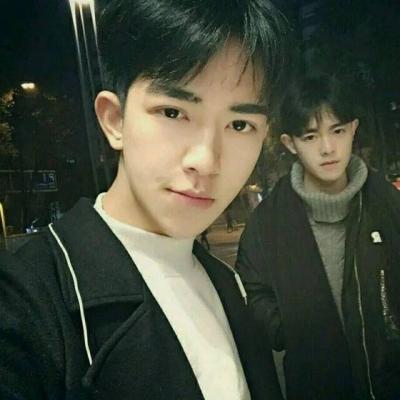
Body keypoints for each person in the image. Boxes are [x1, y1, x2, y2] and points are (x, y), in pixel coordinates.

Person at [0, 0, 293, 399]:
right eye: (173, 112)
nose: (207, 161)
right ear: (114, 120)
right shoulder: (27, 301)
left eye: (240, 124)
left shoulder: (226, 282)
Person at [236, 75, 400, 400]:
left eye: (337, 131)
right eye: (310, 136)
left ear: (353, 129)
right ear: (290, 143)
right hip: (316, 387)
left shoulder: (386, 202)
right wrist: (288, 329)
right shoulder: (268, 222)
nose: (327, 148)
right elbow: (253, 292)